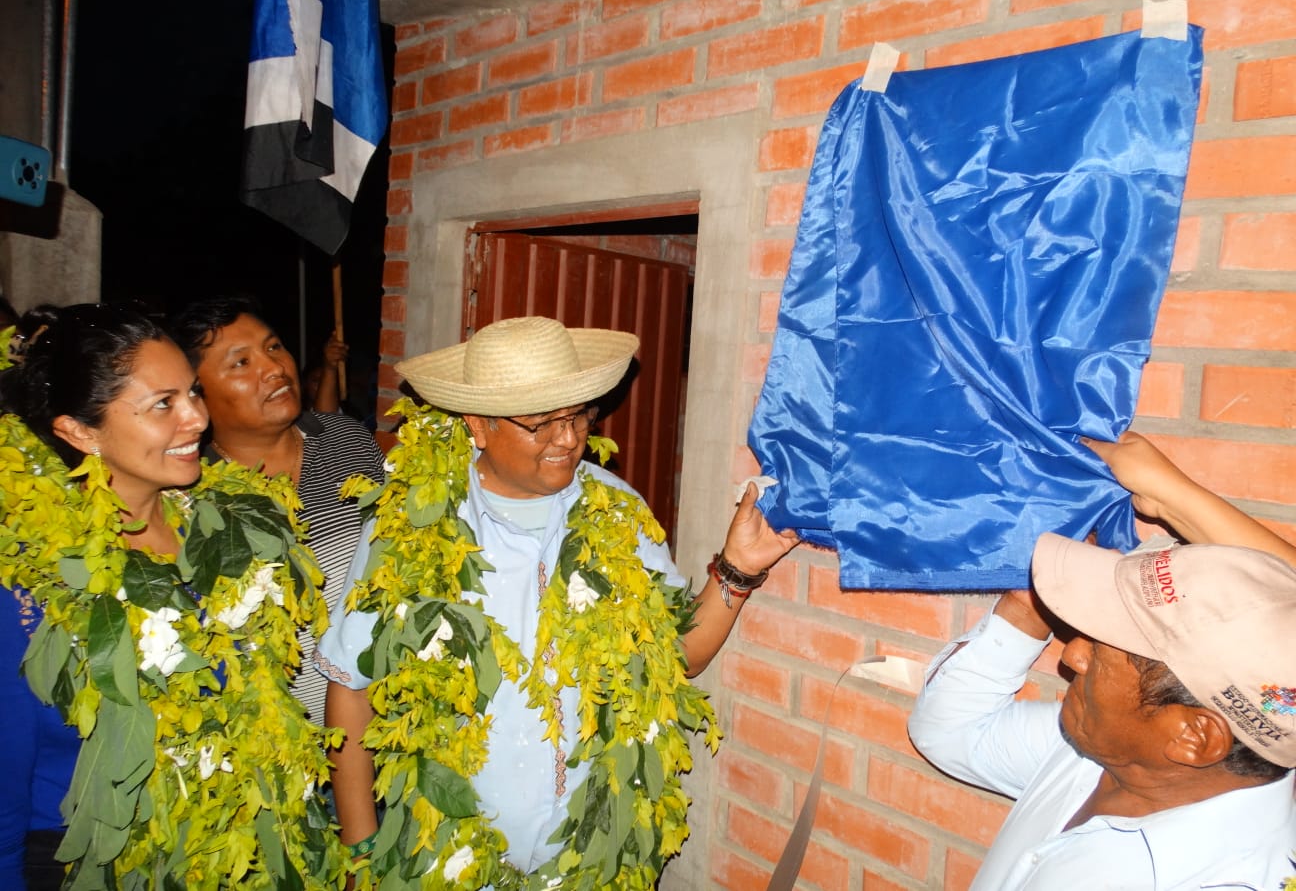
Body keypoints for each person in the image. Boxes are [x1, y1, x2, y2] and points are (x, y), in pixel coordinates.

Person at [316, 316, 801, 888]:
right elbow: (351, 687)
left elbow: (675, 660)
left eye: (578, 415)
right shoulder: (410, 525)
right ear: (478, 425)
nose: (569, 438)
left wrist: (738, 570)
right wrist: (360, 846)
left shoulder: (617, 513)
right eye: (542, 423)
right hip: (438, 859)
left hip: (584, 863)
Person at [0, 302, 343, 888]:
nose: (196, 420)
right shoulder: (31, 586)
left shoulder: (223, 530)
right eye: (163, 404)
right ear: (79, 431)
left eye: (192, 394)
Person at [909, 431, 1296, 888]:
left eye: (1103, 648)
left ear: (1193, 735)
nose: (1073, 655)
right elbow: (953, 732)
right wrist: (1169, 495)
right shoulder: (1118, 756)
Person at [171, 296, 385, 724]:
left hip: (378, 724)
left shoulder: (347, 441)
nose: (274, 369)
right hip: (269, 747)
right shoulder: (188, 494)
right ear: (196, 393)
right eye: (240, 363)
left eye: (273, 348)